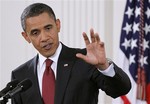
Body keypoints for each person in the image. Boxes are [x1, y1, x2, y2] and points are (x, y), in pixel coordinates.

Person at [11, 2, 131, 104]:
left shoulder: (85, 60)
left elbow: (121, 90)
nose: (44, 38)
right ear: (26, 36)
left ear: (58, 25)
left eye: (48, 28)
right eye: (35, 33)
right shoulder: (20, 75)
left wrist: (104, 66)